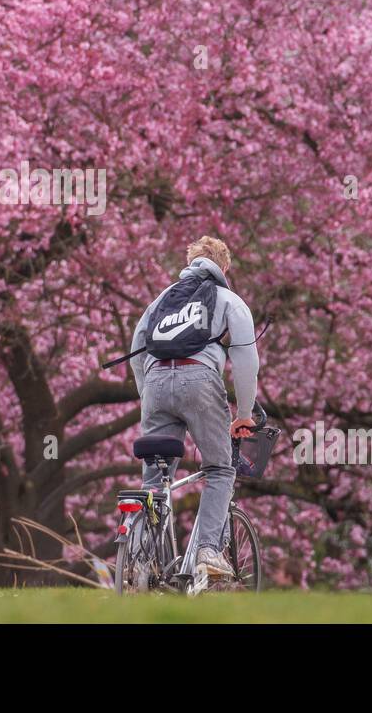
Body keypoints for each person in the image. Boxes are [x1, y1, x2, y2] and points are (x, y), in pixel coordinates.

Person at [129, 236, 259, 588]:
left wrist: (149, 397)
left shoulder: (161, 301)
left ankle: (140, 562)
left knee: (154, 481)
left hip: (155, 383)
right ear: (224, 267)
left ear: (190, 262)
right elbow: (245, 358)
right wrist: (244, 412)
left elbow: (136, 349)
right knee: (219, 468)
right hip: (200, 380)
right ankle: (206, 551)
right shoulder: (228, 300)